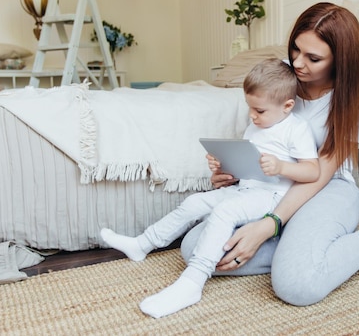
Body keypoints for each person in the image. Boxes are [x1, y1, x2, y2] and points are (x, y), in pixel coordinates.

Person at [180, 2, 359, 307]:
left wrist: (269, 224)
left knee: (297, 287)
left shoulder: (354, 100)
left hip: (329, 186)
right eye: (295, 50)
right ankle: (326, 253)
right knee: (194, 248)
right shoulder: (280, 85)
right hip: (277, 186)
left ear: (340, 61)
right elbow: (264, 145)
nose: (298, 63)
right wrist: (234, 174)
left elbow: (321, 172)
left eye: (313, 58)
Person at [100, 58, 321, 318]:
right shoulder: (254, 127)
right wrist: (223, 167)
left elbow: (313, 171)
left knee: (225, 212)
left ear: (287, 106)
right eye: (250, 108)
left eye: (259, 111)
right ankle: (143, 243)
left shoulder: (295, 129)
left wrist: (282, 167)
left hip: (273, 197)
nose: (252, 115)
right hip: (246, 190)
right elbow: (247, 170)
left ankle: (193, 281)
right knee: (195, 203)